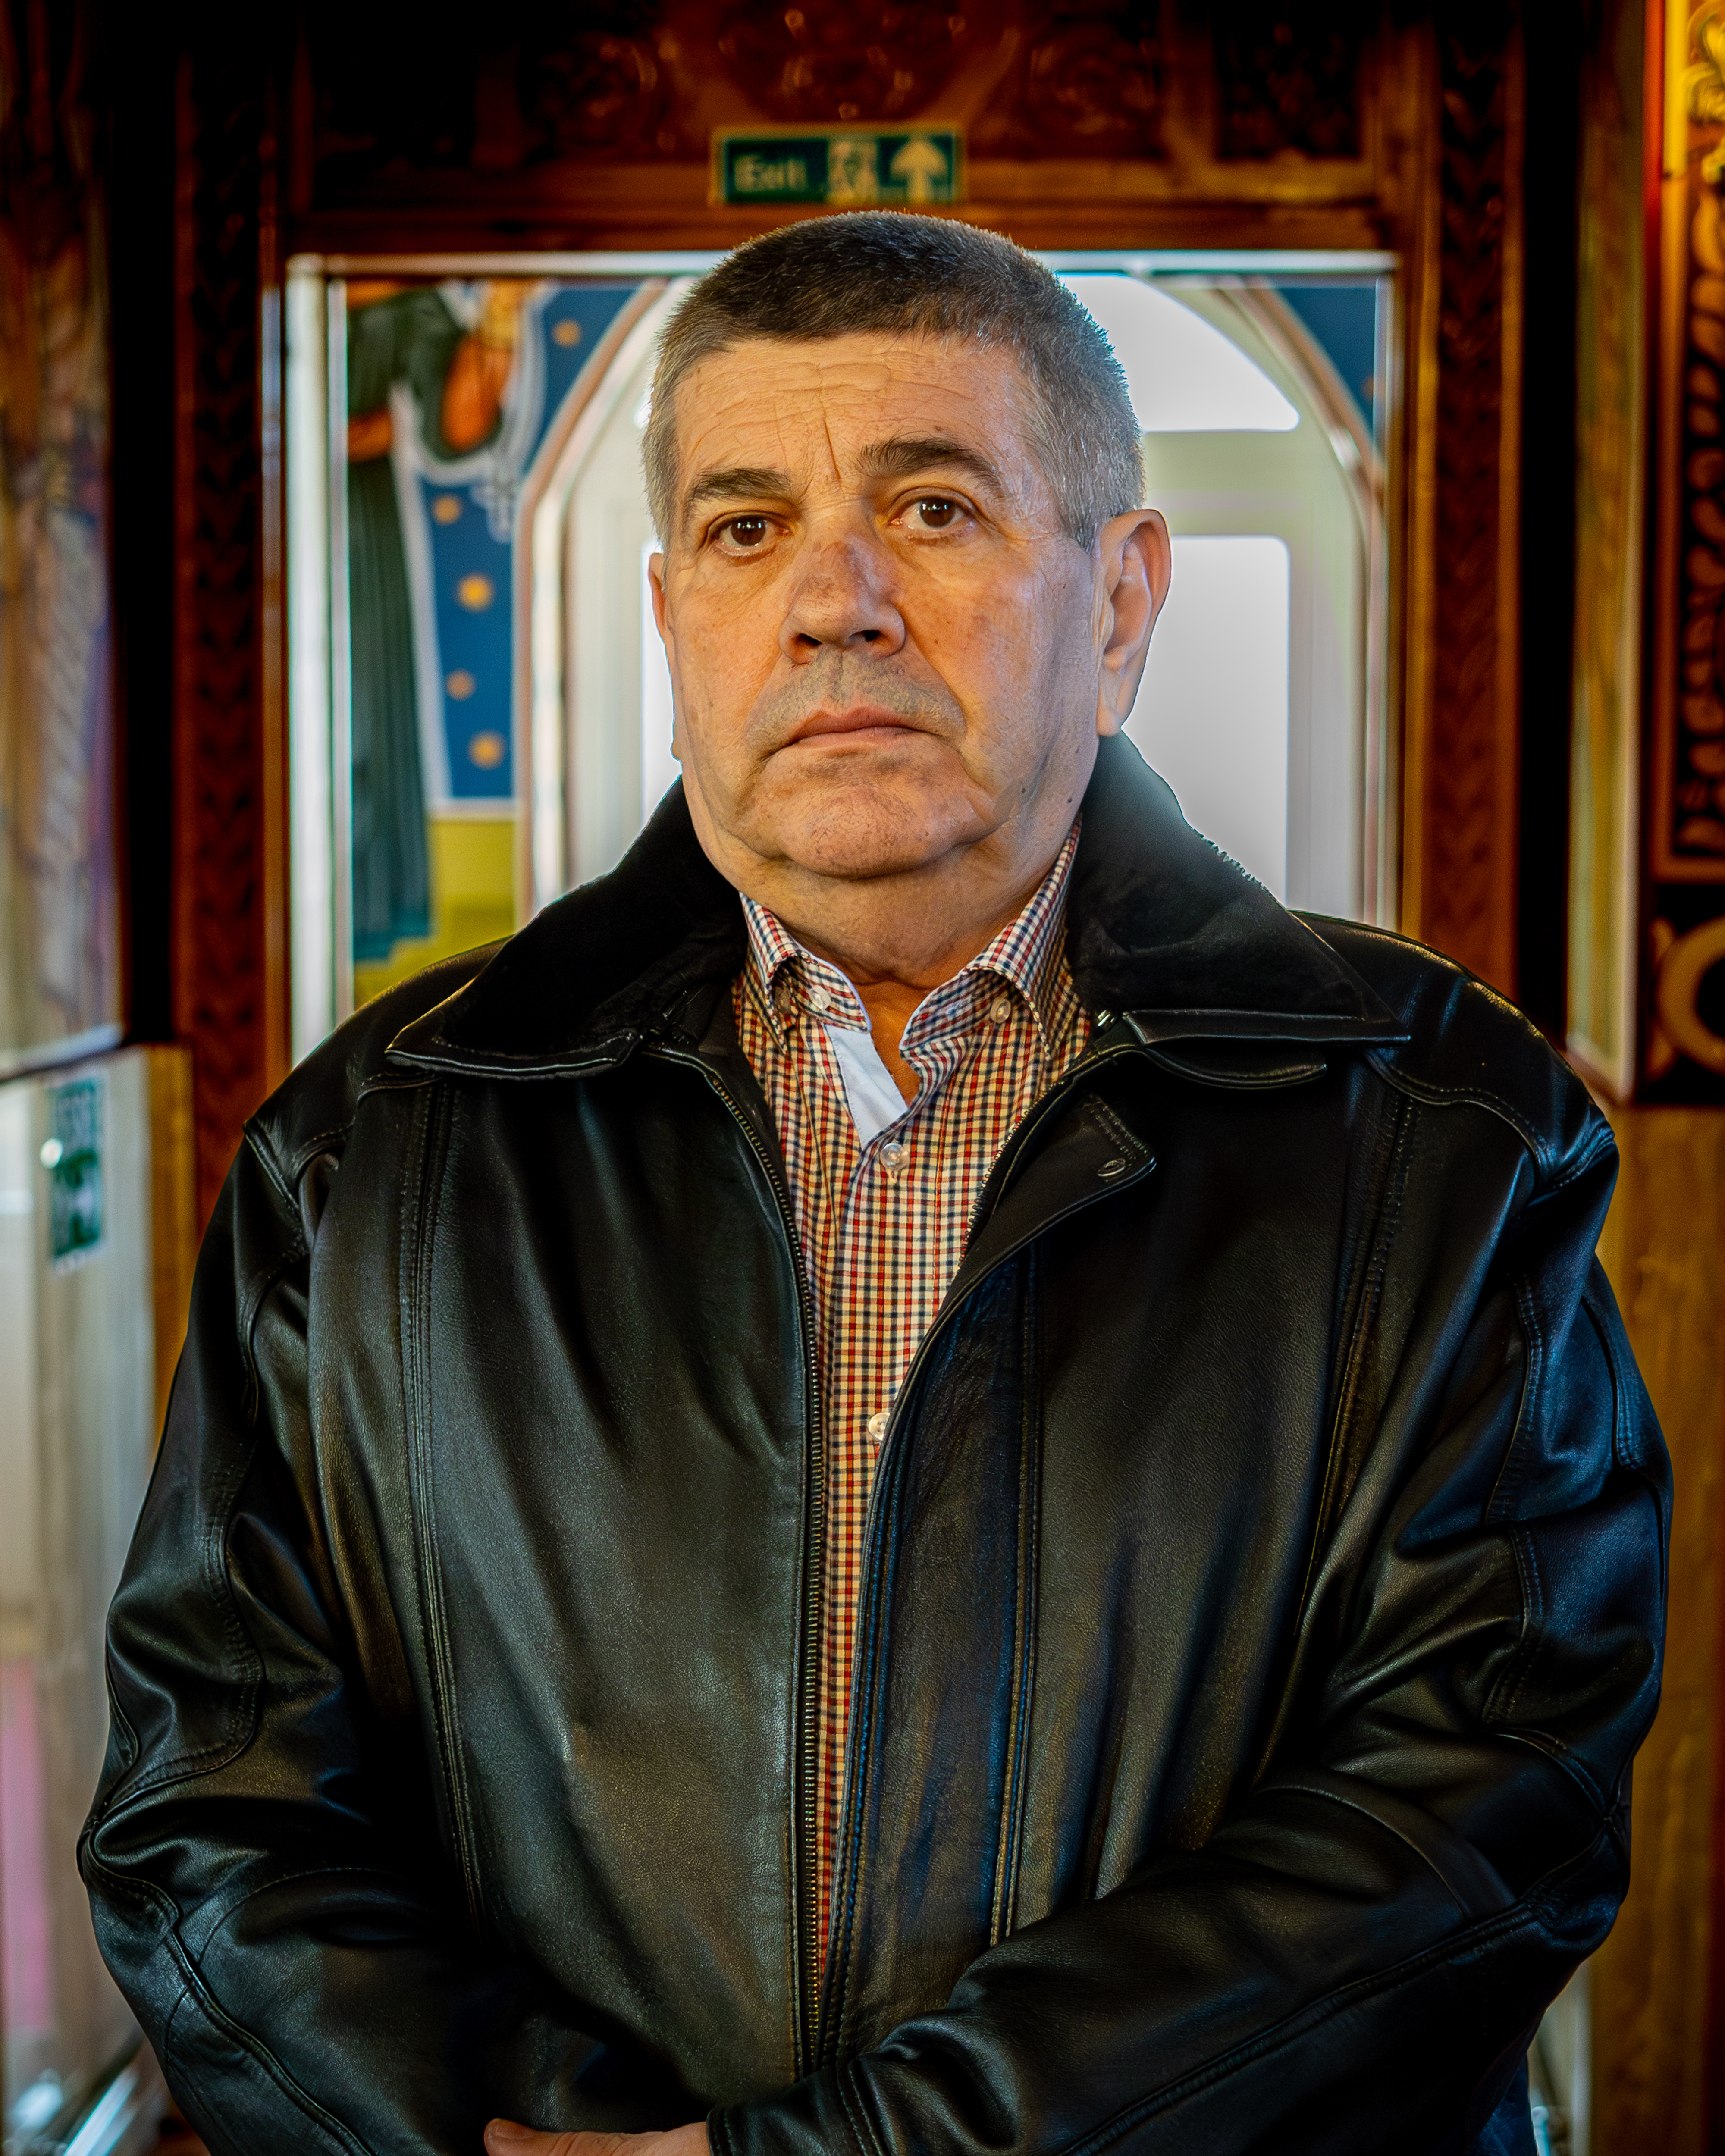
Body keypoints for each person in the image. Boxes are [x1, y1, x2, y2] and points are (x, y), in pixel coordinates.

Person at [83, 214, 1667, 2156]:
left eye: (933, 509)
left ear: (1121, 602)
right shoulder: (371, 1151)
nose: (834, 602)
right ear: (672, 620)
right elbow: (211, 1809)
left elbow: (1479, 1810)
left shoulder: (1443, 1136)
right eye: (747, 529)